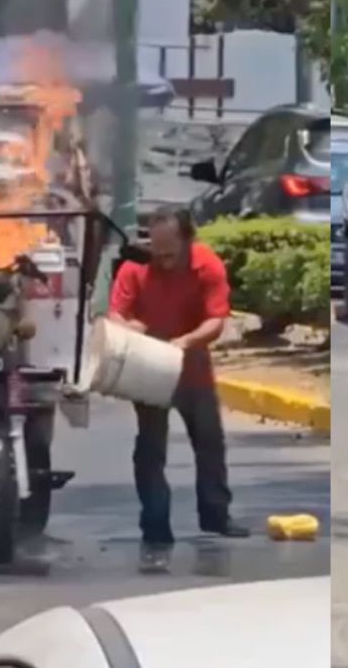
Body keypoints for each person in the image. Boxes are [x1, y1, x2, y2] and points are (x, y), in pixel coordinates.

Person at [108, 207, 249, 569]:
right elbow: (116, 314)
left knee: (210, 442)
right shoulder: (135, 267)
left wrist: (185, 342)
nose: (163, 260)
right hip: (148, 367)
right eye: (158, 252)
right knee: (151, 447)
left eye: (171, 253)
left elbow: (216, 320)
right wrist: (130, 328)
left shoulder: (207, 266)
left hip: (192, 369)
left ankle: (216, 514)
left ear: (188, 241)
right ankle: (156, 523)